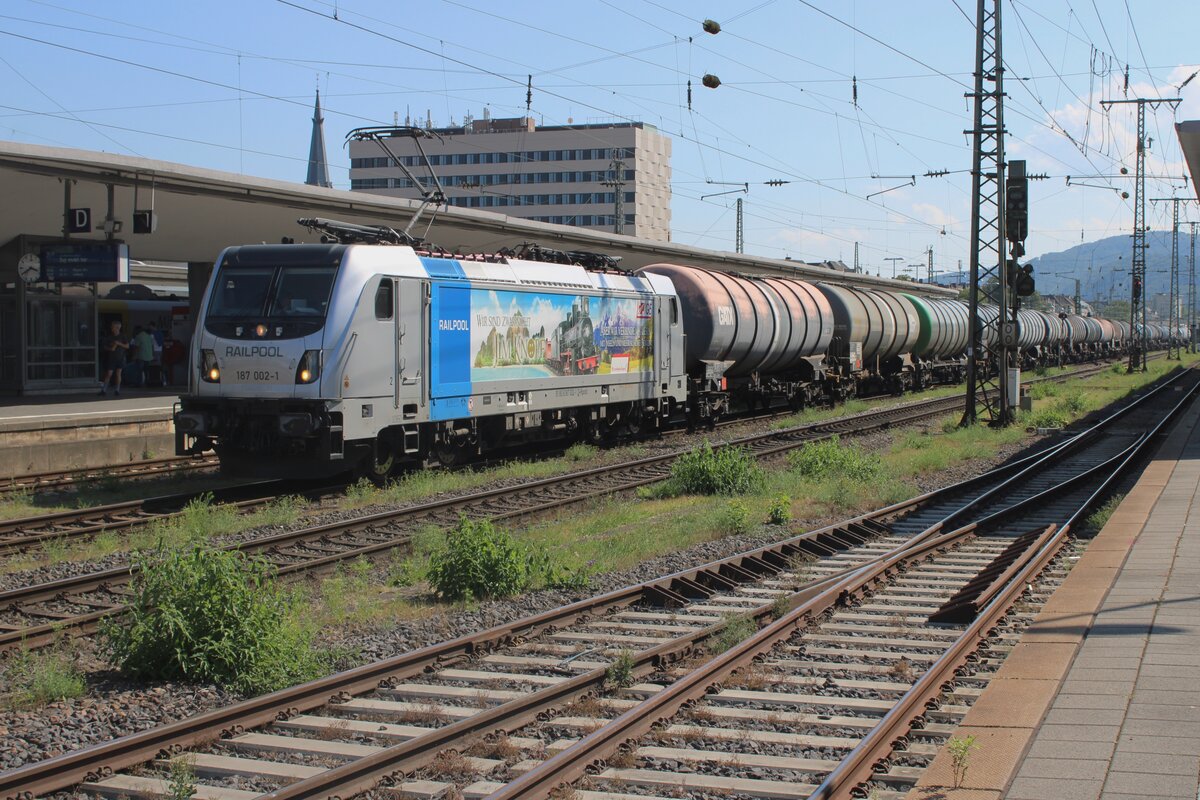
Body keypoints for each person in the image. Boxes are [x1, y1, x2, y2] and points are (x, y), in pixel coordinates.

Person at [98, 320, 130, 396]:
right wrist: (110, 348)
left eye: (113, 327)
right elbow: (104, 347)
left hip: (120, 358)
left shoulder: (123, 336)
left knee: (118, 373)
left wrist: (119, 343)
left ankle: (117, 390)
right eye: (112, 327)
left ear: (117, 328)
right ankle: (104, 390)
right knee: (109, 374)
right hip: (111, 358)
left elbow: (127, 346)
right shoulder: (109, 337)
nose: (112, 328)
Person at [131, 323, 157, 387]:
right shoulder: (149, 336)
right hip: (149, 356)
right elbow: (152, 346)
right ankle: (147, 382)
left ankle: (139, 383)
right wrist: (152, 355)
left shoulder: (138, 336)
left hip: (141, 356)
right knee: (146, 371)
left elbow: (136, 347)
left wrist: (134, 356)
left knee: (139, 371)